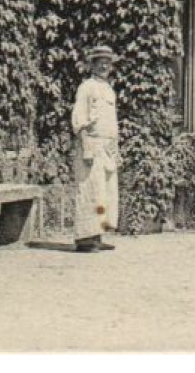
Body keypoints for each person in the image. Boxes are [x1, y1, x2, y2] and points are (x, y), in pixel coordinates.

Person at [71, 45, 120, 253]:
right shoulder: (86, 87)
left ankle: (97, 234)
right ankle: (84, 239)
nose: (104, 65)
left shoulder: (108, 88)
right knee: (89, 192)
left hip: (107, 147)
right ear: (91, 64)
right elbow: (79, 118)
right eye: (100, 61)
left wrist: (115, 146)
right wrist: (85, 145)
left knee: (104, 193)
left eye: (107, 61)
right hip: (91, 144)